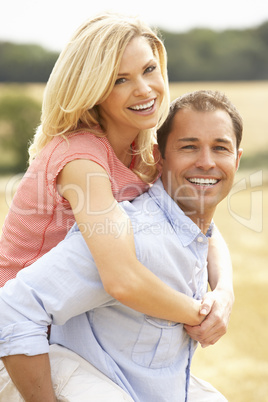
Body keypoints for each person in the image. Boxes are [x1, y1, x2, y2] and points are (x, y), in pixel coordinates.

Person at [0, 90, 243, 401]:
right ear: (159, 158)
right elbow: (13, 309)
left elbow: (206, 233)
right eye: (189, 147)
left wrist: (224, 290)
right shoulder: (126, 234)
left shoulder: (188, 233)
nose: (206, 162)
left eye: (220, 148)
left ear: (237, 159)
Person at [0, 14, 233, 334]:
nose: (144, 89)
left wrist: (223, 293)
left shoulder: (147, 153)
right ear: (93, 91)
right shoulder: (81, 160)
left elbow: (201, 223)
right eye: (119, 80)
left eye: (149, 70)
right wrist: (201, 315)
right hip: (25, 335)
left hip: (82, 334)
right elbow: (122, 280)